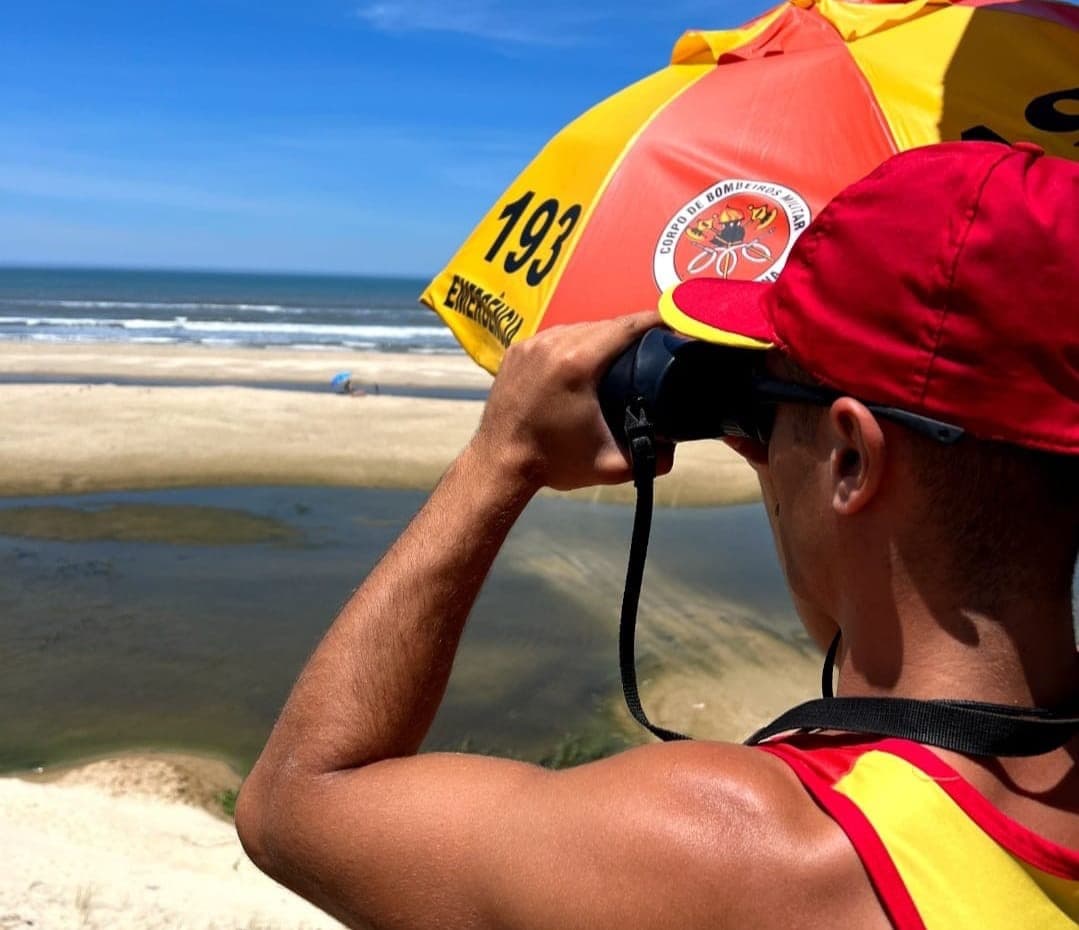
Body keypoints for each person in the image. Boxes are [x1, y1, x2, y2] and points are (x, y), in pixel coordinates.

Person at [235, 141, 1079, 929]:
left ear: (853, 460)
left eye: (764, 409)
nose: (748, 439)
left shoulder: (737, 850)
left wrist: (503, 457)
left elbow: (294, 807)